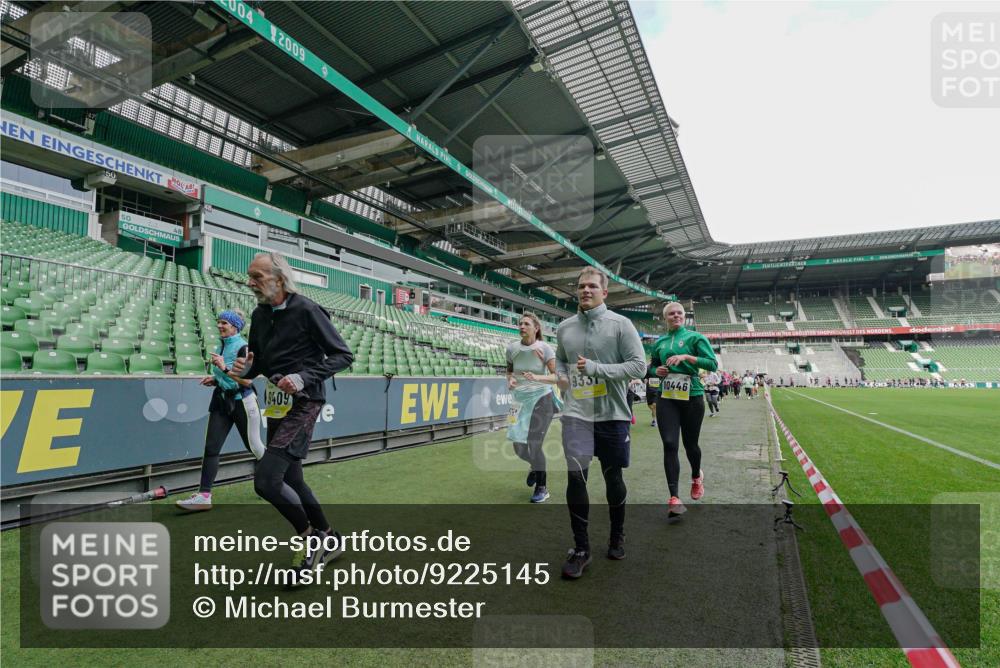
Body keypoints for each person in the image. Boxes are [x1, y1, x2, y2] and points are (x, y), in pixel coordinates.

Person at [232, 252, 354, 577]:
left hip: (304, 402)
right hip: (276, 403)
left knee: (266, 481)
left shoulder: (308, 310)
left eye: (257, 277)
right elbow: (260, 363)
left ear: (279, 279)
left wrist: (303, 377)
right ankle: (329, 537)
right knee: (291, 477)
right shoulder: (259, 315)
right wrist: (245, 368)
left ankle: (310, 540)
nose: (250, 283)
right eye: (250, 276)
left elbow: (343, 355)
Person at [555, 267, 645, 579]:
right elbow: (561, 364)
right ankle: (581, 548)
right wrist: (564, 380)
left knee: (612, 476)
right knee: (575, 479)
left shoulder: (622, 324)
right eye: (581, 286)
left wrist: (597, 368)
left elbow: (639, 367)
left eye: (592, 286)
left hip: (612, 415)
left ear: (604, 292)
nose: (585, 290)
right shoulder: (565, 327)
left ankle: (617, 535)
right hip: (576, 415)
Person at [176, 309, 265, 512]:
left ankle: (278, 478)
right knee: (211, 448)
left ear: (235, 326)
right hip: (222, 400)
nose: (220, 325)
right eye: (219, 322)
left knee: (255, 447)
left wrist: (224, 369)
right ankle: (204, 495)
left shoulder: (245, 348)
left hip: (243, 401)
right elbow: (226, 375)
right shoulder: (223, 344)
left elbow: (247, 380)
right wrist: (216, 379)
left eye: (224, 322)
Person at [649, 301, 719, 516]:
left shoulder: (695, 338)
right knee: (670, 444)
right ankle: (674, 497)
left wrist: (687, 357)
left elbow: (712, 364)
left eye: (679, 313)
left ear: (684, 316)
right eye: (671, 314)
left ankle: (697, 476)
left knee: (690, 445)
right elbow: (650, 366)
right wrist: (656, 370)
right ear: (665, 318)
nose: (676, 316)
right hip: (667, 396)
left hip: (693, 395)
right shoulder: (659, 342)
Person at [506, 312, 560, 504]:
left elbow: (556, 376)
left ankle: (542, 488)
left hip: (541, 399)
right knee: (518, 447)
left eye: (526, 324)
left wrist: (537, 377)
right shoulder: (512, 348)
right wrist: (511, 379)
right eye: (520, 324)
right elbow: (509, 371)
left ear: (536, 328)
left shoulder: (545, 348)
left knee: (534, 444)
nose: (521, 326)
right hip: (518, 401)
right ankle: (535, 466)